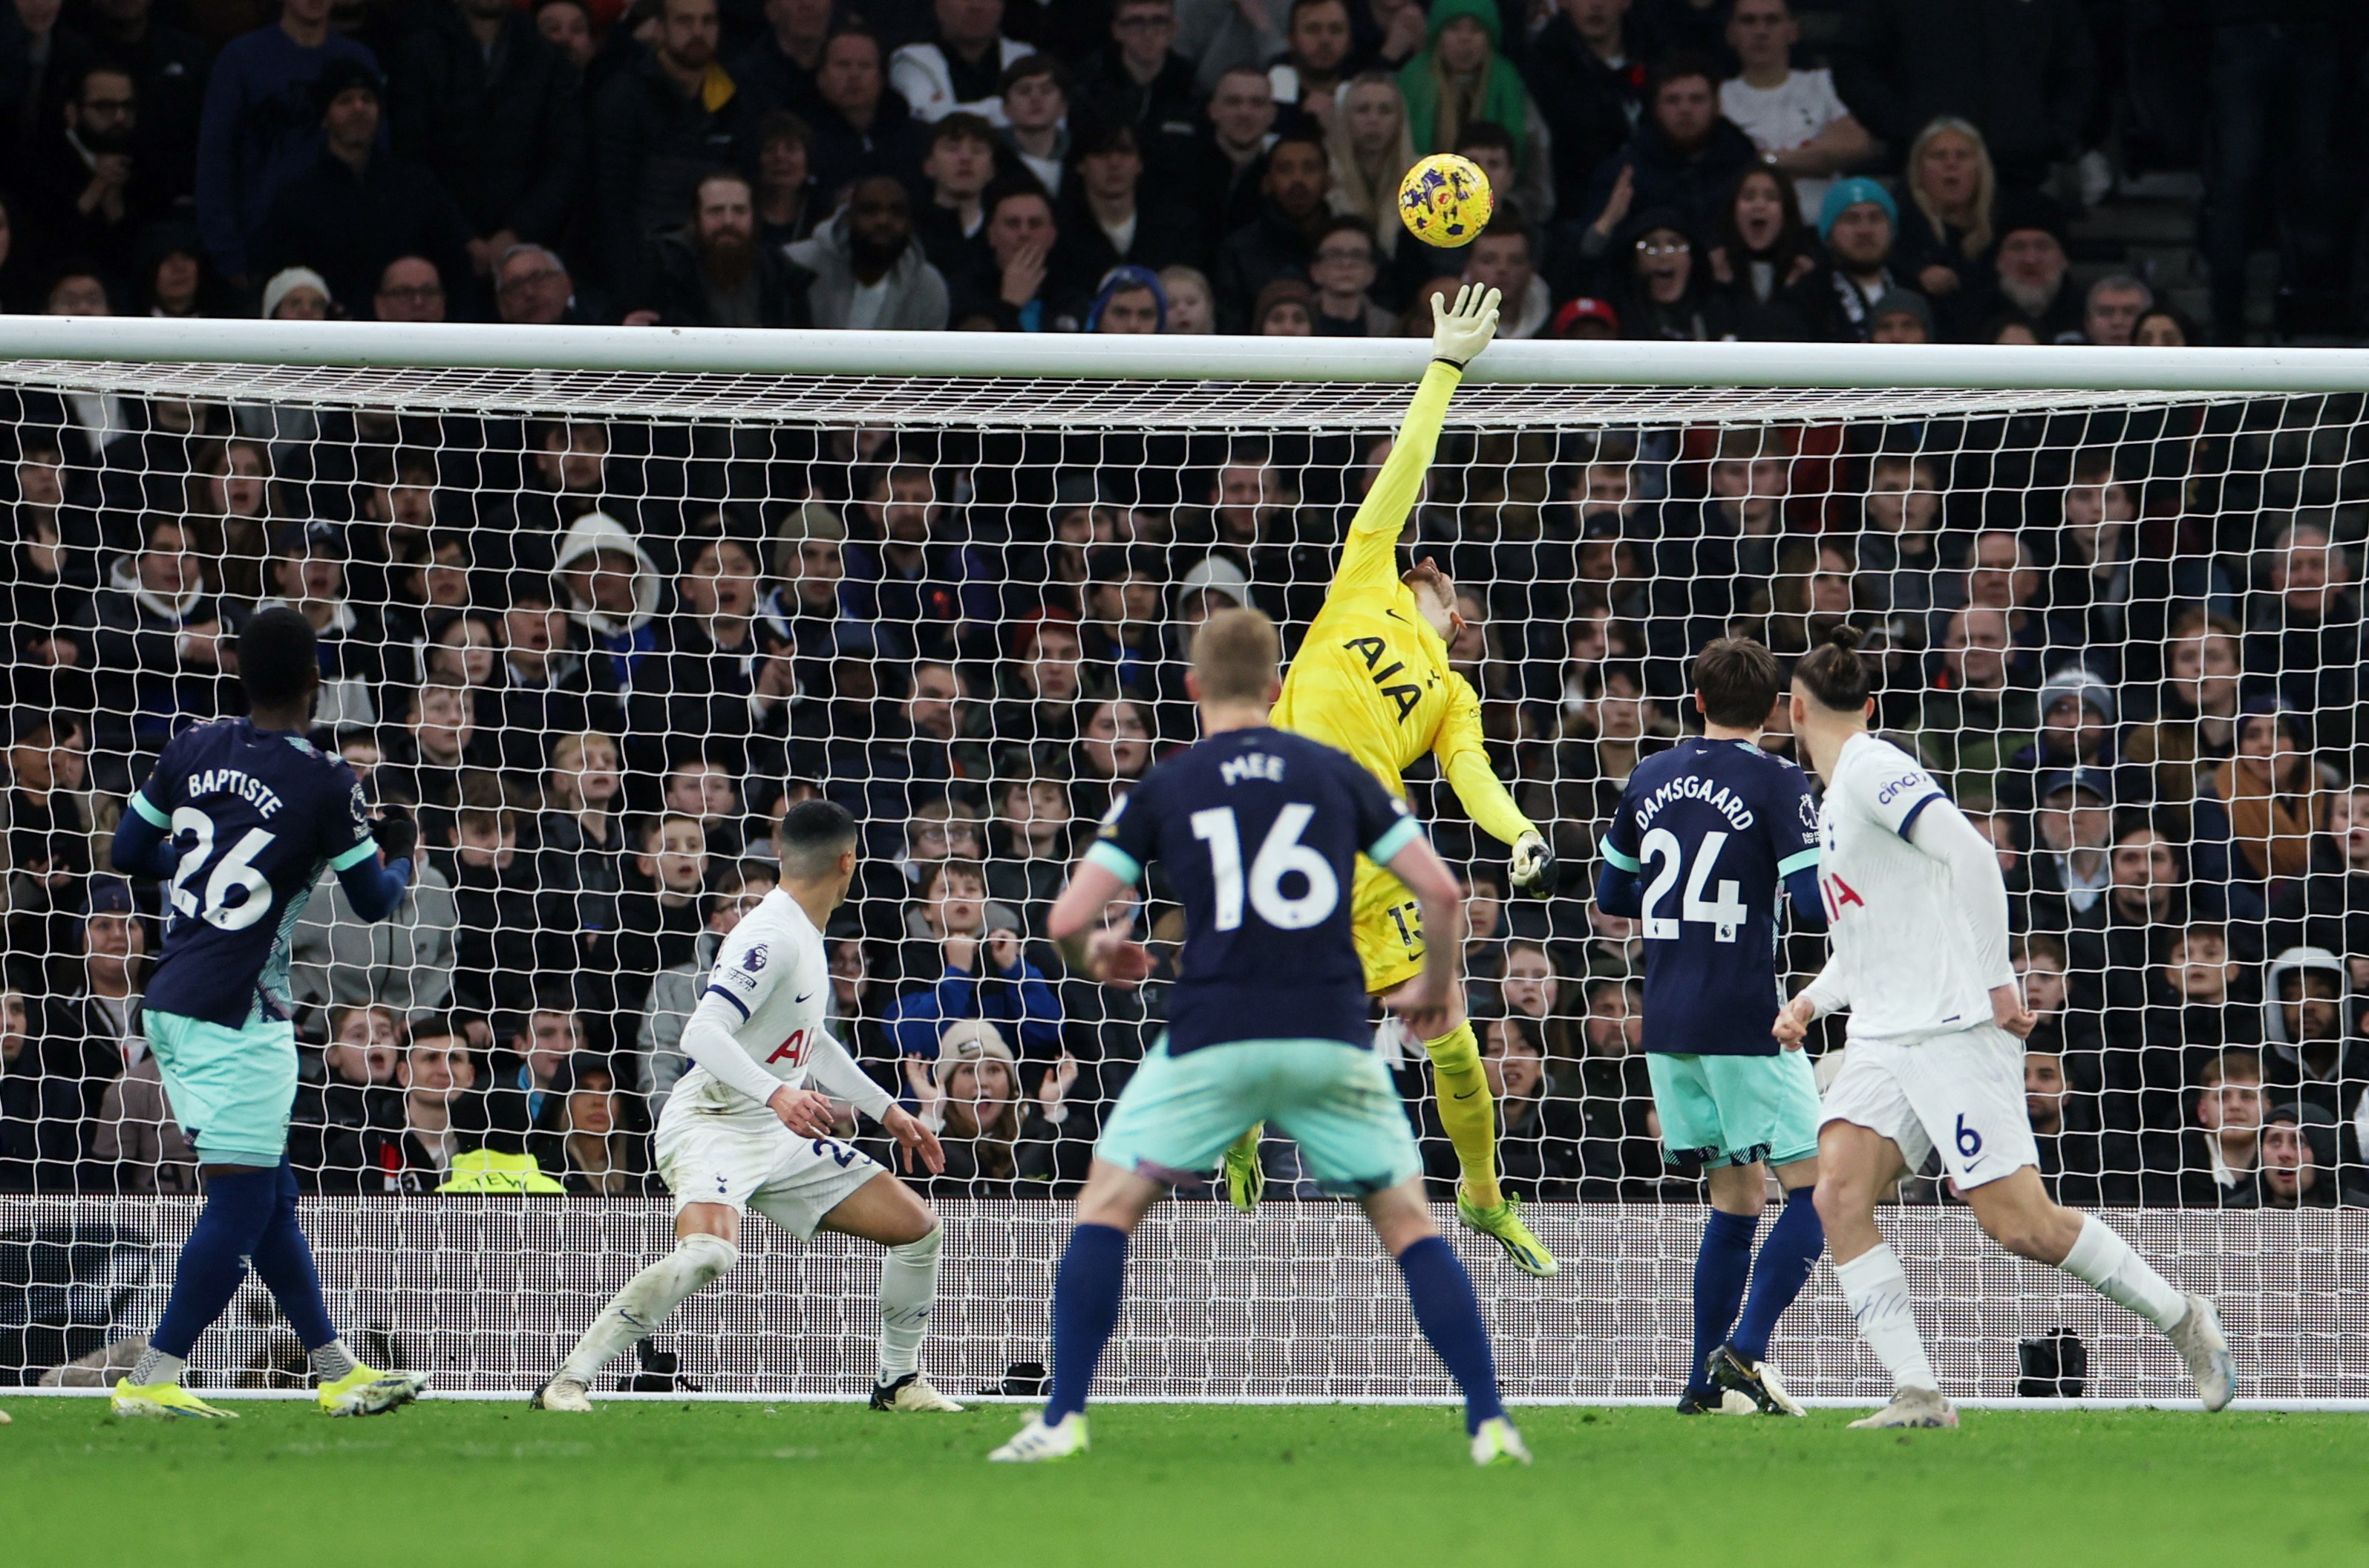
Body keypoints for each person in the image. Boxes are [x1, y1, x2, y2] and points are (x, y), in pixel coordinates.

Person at [988, 606, 1527, 1466]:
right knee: (1407, 1224)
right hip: (1326, 1032)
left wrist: (1100, 953)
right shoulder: (1337, 772)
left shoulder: (1167, 783)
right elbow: (1444, 892)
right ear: (1277, 688)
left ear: (1194, 687)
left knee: (1107, 1208)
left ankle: (1061, 1422)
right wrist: (1428, 988)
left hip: (1211, 1033)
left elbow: (1065, 917)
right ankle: (1489, 1422)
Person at [1774, 626, 2235, 1428]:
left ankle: (2180, 1318)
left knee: (2019, 1226)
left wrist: (1995, 982)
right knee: (1837, 1195)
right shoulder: (1833, 802)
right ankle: (1916, 1392)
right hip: (1885, 1035)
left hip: (1951, 1029)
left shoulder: (1873, 768)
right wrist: (1813, 1000)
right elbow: (1868, 941)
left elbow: (1973, 855)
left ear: (1792, 708)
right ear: (1868, 701)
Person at [1219, 285, 1555, 1278]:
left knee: (1448, 1033)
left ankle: (1483, 1196)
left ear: (1456, 620)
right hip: (1285, 828)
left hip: (1373, 854)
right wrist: (1442, 367)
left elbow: (1474, 775)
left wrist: (1516, 835)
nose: (1439, 577)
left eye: (1455, 594)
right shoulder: (1363, 574)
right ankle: (1241, 1125)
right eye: (1435, 568)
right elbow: (1404, 470)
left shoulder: (1451, 691)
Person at [102, 605, 430, 1420]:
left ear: (239, 675)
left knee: (271, 1194)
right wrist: (402, 849)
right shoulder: (327, 781)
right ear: (317, 683)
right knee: (245, 1203)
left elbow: (125, 854)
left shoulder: (191, 748)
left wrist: (198, 852)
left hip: (171, 995)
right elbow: (373, 899)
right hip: (242, 1012)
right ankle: (150, 1379)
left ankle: (335, 1368)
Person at [532, 800, 961, 1414]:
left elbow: (813, 1040)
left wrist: (888, 1111)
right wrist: (778, 1091)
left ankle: (898, 1382)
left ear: (783, 857)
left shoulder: (806, 932)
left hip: (775, 1128)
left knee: (917, 1229)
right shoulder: (769, 935)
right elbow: (701, 1034)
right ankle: (567, 1380)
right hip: (713, 1120)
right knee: (710, 1254)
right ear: (849, 862)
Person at [1594, 638, 1827, 1417]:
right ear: (1772, 710)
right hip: (1743, 1014)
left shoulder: (1649, 774)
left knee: (1733, 1199)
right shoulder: (1778, 778)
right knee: (1818, 1191)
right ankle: (1745, 1347)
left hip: (1663, 1017)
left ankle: (1700, 1385)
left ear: (1693, 700)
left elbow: (1612, 892)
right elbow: (1806, 907)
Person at [1718, 0, 1871, 218]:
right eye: (1748, 21)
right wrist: (1811, 158)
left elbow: (1856, 144)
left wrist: (1767, 161)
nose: (1760, 31)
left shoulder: (1824, 84)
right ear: (1731, 33)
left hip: (1820, 224)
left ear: (1793, 30)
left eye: (1772, 20)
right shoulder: (1719, 98)